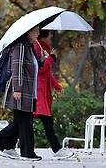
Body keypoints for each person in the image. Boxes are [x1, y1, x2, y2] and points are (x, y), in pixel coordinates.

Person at [0, 25, 42, 161]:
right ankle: (27, 152)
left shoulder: (29, 48)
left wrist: (42, 59)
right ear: (28, 33)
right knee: (25, 122)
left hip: (30, 91)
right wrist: (17, 88)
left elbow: (34, 68)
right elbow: (16, 68)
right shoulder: (20, 47)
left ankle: (0, 142)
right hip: (21, 91)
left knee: (20, 122)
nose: (38, 33)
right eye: (36, 31)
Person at [33, 30, 75, 160]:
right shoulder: (36, 46)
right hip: (38, 91)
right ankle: (57, 149)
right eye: (50, 34)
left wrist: (57, 86)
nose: (52, 37)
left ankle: (5, 144)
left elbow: (47, 73)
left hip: (43, 91)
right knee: (45, 121)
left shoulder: (44, 47)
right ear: (43, 35)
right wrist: (51, 58)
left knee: (25, 122)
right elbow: (39, 70)